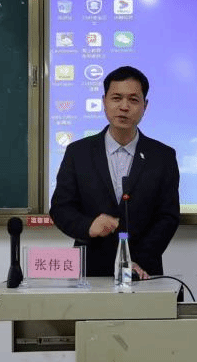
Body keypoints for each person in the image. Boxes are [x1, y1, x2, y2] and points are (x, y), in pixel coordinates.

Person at [50, 66, 180, 279]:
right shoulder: (78, 152)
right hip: (89, 270)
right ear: (104, 102)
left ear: (145, 106)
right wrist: (88, 226)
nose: (124, 107)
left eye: (133, 100)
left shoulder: (162, 156)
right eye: (116, 98)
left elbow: (168, 216)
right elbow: (61, 208)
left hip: (142, 272)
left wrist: (139, 260)